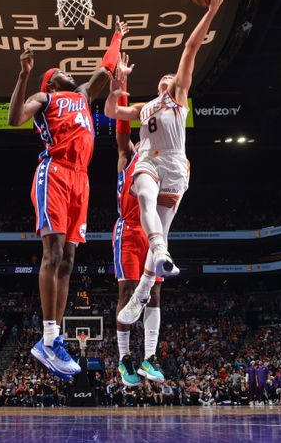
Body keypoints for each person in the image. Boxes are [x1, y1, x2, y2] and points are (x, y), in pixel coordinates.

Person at [7, 17, 127, 379]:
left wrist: (118, 35)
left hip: (81, 180)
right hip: (55, 173)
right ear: (51, 82)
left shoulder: (84, 96)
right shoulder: (45, 97)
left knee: (70, 259)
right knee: (53, 253)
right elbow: (14, 119)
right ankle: (46, 338)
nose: (64, 71)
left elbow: (106, 69)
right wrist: (24, 74)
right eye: (57, 71)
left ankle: (54, 340)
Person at [105, 0, 226, 325]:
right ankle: (159, 250)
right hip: (150, 160)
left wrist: (211, 11)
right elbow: (113, 111)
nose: (168, 78)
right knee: (143, 191)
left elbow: (190, 49)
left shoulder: (179, 99)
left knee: (161, 227)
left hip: (175, 163)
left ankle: (145, 286)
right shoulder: (144, 108)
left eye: (172, 77)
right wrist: (121, 82)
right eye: (165, 77)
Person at [110, 54, 164, 386]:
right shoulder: (128, 154)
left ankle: (149, 357)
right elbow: (121, 125)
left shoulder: (162, 157)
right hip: (128, 231)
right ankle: (124, 359)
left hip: (152, 231)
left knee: (154, 295)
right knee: (129, 290)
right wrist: (123, 82)